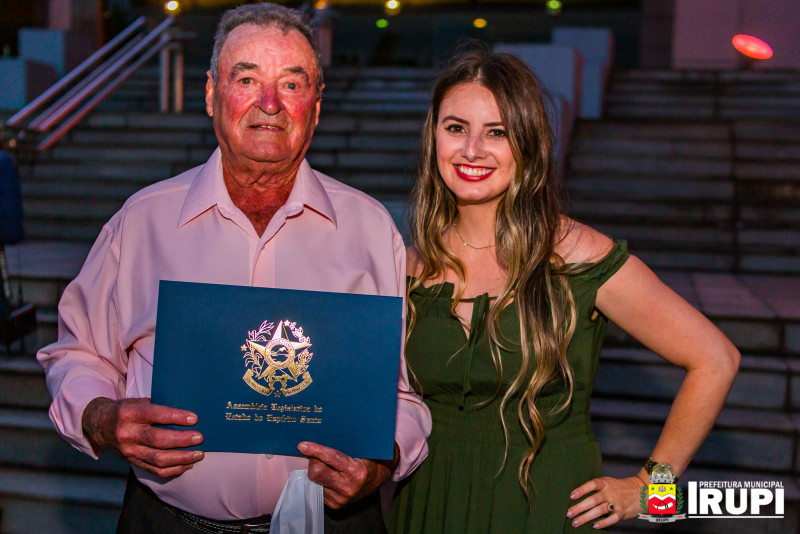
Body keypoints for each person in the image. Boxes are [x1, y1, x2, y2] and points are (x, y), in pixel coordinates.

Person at [37, 4, 430, 533]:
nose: (269, 103)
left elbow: (404, 395)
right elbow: (76, 352)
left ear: (315, 107)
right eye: (246, 79)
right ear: (210, 94)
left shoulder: (371, 230)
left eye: (291, 84)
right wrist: (103, 418)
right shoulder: (143, 221)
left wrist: (382, 461)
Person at [387, 46, 740, 533]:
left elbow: (716, 359)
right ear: (434, 139)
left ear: (528, 143)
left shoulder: (578, 255)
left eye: (497, 132)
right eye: (455, 128)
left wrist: (651, 490)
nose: (472, 149)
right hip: (428, 507)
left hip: (543, 509)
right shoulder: (410, 264)